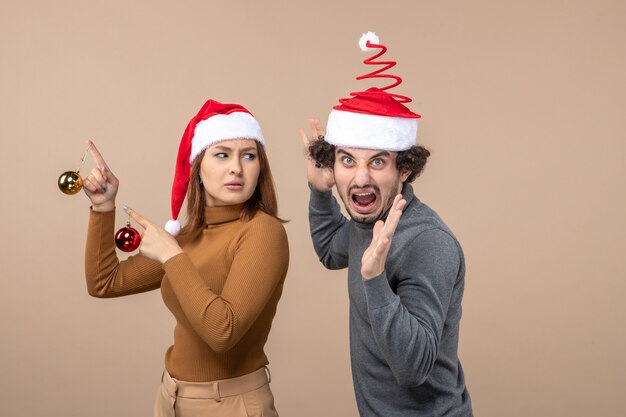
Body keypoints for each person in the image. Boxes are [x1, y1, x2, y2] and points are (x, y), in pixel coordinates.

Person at [300, 32, 472, 416]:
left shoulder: (427, 242)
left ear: (405, 169)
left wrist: (375, 279)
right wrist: (319, 192)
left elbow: (413, 368)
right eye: (347, 160)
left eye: (377, 162)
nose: (360, 178)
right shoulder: (367, 222)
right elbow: (331, 250)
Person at [82, 99, 289, 417]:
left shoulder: (263, 232)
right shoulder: (189, 235)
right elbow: (104, 282)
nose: (237, 167)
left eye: (249, 156)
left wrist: (170, 254)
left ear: (260, 168)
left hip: (230, 406)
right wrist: (102, 207)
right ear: (198, 168)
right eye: (222, 154)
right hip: (171, 398)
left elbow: (223, 332)